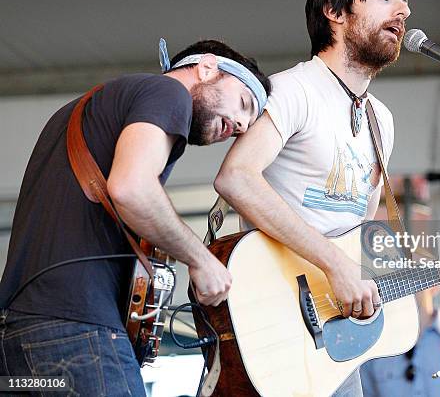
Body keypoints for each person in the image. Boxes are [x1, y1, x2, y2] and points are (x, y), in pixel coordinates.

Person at [214, 0, 440, 396]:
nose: (403, 13)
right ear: (335, 12)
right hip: (273, 321)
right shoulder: (295, 90)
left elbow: (363, 247)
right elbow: (235, 178)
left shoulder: (380, 120)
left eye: (405, 4)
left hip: (331, 344)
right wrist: (336, 265)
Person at [0, 38, 271, 396]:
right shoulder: (167, 93)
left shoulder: (86, 107)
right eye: (243, 103)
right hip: (77, 334)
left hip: (17, 341)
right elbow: (132, 188)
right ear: (207, 68)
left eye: (247, 125)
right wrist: (201, 259)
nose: (239, 124)